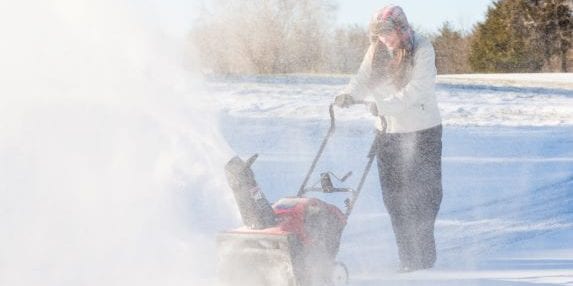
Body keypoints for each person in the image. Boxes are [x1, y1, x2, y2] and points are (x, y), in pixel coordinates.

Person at [334, 5, 443, 272]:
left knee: (425, 198)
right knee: (395, 199)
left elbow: (417, 90)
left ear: (401, 28)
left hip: (422, 131)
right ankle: (408, 259)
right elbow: (361, 79)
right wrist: (349, 94)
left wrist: (383, 105)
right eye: (379, 34)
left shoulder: (422, 48)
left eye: (388, 33)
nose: (385, 39)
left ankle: (424, 259)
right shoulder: (376, 51)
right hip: (388, 133)